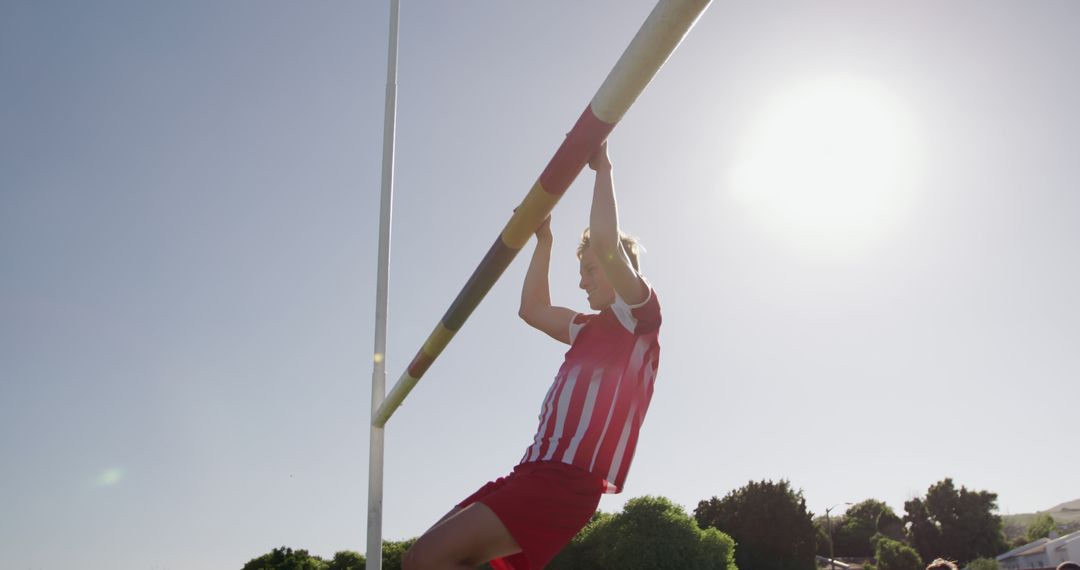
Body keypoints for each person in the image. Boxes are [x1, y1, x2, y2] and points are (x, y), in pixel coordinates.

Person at [402, 141, 662, 570]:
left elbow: (605, 241)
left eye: (590, 271)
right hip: (530, 473)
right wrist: (544, 240)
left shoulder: (640, 318)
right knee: (417, 560)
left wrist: (602, 170)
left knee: (429, 560)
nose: (582, 284)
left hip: (565, 482)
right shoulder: (585, 329)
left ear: (621, 268)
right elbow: (532, 310)